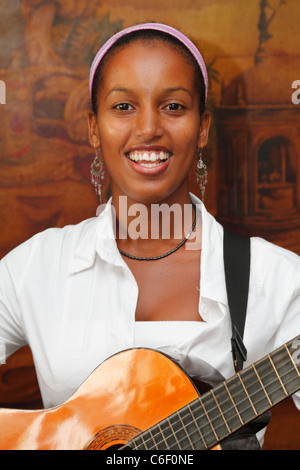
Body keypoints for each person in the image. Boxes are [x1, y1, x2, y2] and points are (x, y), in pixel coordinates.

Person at [0, 22, 299, 450]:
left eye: (174, 106)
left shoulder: (279, 280)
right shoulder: (36, 267)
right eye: (123, 107)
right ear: (92, 128)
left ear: (202, 128)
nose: (148, 129)